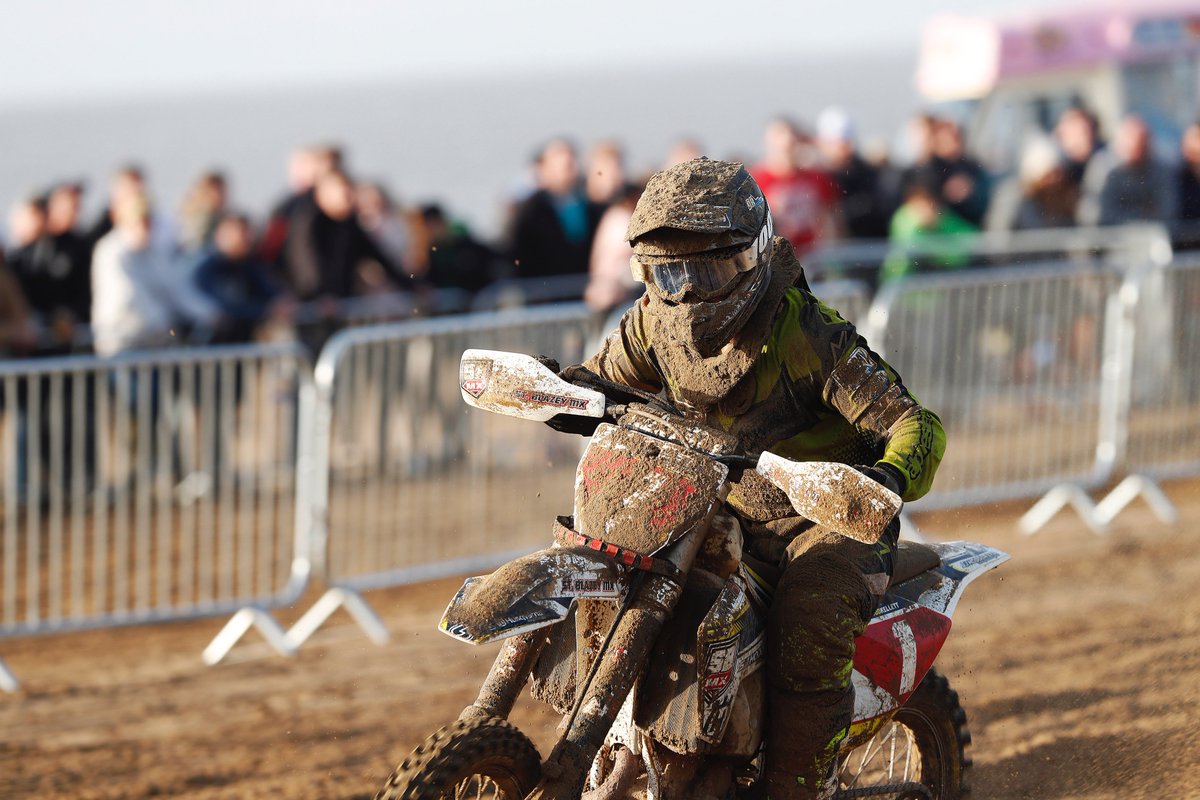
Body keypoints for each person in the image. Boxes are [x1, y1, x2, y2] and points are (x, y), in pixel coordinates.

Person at [574, 158, 945, 799]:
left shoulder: (803, 332)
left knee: (807, 631)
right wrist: (559, 393)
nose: (688, 292)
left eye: (708, 270)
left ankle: (797, 787)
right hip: (714, 509)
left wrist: (882, 479)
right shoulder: (650, 324)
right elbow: (598, 380)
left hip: (826, 518)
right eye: (670, 272)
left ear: (749, 257)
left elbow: (915, 425)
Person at [90, 195, 217, 357]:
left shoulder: (152, 252)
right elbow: (128, 293)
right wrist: (161, 321)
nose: (145, 227)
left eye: (148, 222)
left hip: (152, 344)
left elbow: (173, 289)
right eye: (140, 222)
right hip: (120, 344)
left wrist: (207, 313)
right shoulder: (111, 251)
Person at [509, 138, 606, 279]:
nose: (568, 168)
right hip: (544, 288)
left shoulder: (591, 205)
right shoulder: (529, 210)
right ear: (543, 167)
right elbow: (518, 251)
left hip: (583, 283)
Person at [750, 117, 840, 254]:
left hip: (814, 258)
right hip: (775, 257)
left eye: (790, 145)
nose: (785, 152)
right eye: (779, 147)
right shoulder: (755, 182)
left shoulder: (816, 178)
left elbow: (831, 219)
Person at [193, 213, 286, 343]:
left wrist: (279, 302)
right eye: (241, 233)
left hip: (245, 344)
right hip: (213, 346)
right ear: (222, 235)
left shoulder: (250, 265)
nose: (247, 239)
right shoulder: (207, 270)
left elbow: (270, 290)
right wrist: (264, 310)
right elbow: (221, 307)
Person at [1079, 114, 1177, 226]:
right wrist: (1140, 215)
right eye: (1131, 142)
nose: (1136, 149)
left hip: (1150, 236)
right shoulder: (1103, 168)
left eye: (1142, 144)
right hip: (1109, 238)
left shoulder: (1161, 170)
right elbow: (1093, 212)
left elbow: (1168, 211)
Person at [815, 107, 890, 239]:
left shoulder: (868, 174)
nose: (844, 148)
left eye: (845, 142)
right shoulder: (817, 177)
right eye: (838, 143)